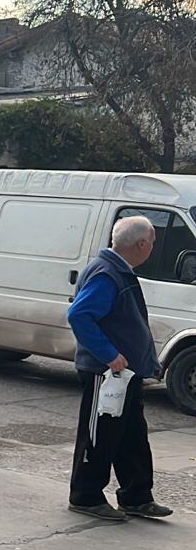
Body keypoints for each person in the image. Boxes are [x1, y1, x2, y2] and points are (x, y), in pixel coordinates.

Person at [66, 215, 172, 521]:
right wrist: (110, 355)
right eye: (152, 241)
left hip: (125, 375)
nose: (152, 247)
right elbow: (79, 315)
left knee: (132, 436)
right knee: (99, 436)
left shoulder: (118, 270)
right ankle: (86, 497)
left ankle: (137, 496)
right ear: (141, 244)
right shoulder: (106, 273)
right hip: (107, 373)